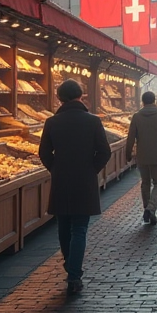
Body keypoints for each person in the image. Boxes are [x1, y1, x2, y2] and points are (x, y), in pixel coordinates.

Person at [38, 80, 111, 295]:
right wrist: (91, 169)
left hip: (61, 181)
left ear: (60, 98)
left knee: (63, 227)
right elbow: (104, 152)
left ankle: (70, 265)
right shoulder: (93, 121)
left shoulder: (52, 122)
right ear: (80, 96)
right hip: (84, 181)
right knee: (79, 228)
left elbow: (43, 153)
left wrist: (56, 168)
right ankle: (74, 274)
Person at [126, 91, 157, 226]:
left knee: (145, 183)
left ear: (143, 102)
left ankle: (147, 209)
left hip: (142, 156)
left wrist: (128, 154)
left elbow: (130, 138)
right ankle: (151, 208)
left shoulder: (136, 117)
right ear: (154, 101)